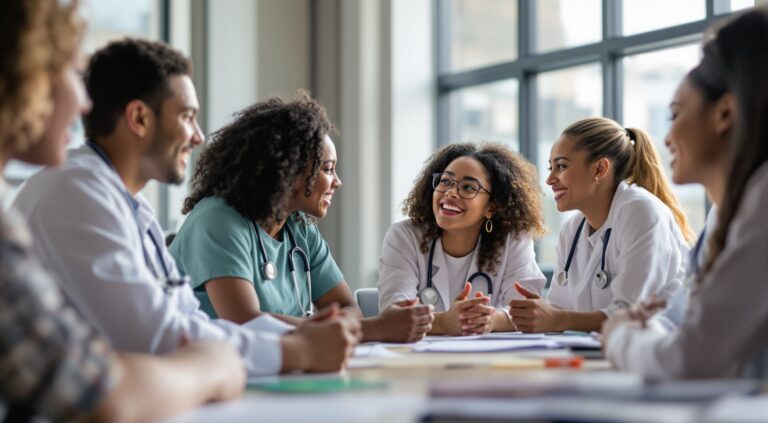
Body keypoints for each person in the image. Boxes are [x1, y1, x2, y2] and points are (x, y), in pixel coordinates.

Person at [12, 38, 360, 377]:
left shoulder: (129, 205)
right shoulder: (78, 192)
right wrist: (295, 350)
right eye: (187, 116)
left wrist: (297, 344)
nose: (197, 136)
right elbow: (158, 337)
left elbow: (189, 321)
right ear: (139, 119)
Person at [0, 1, 244, 423]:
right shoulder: (61, 196)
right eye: (71, 74)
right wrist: (214, 366)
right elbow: (97, 395)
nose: (83, 103)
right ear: (20, 75)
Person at [170, 93, 433, 343]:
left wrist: (342, 328)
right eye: (327, 169)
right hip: (217, 367)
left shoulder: (299, 227)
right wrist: (375, 328)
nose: (338, 182)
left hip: (284, 363)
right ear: (289, 170)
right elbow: (245, 321)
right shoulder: (217, 220)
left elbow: (346, 308)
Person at [602, 7, 768, 379]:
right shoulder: (723, 216)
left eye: (675, 114)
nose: (667, 138)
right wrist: (641, 328)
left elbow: (688, 359)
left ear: (724, 113)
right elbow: (679, 320)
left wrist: (619, 335)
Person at [510, 117, 694, 333]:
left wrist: (558, 319)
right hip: (604, 351)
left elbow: (631, 315)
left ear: (599, 169)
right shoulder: (573, 229)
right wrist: (537, 314)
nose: (550, 179)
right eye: (551, 167)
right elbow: (560, 310)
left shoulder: (641, 211)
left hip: (664, 352)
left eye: (561, 166)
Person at [378, 143, 547, 335]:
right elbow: (395, 313)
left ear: (491, 207)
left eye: (468, 187)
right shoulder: (404, 236)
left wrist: (491, 320)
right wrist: (442, 322)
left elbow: (528, 310)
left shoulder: (513, 240)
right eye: (445, 182)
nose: (450, 192)